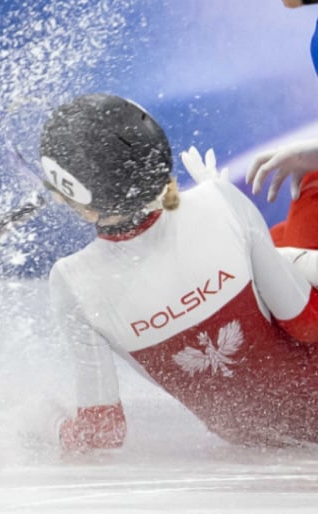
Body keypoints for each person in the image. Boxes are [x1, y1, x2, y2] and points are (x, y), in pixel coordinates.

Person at [40, 93, 318, 454]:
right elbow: (307, 324)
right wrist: (281, 254)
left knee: (275, 243)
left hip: (259, 436)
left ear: (71, 195)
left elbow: (102, 432)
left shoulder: (70, 280)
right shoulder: (218, 201)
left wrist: (40, 421)